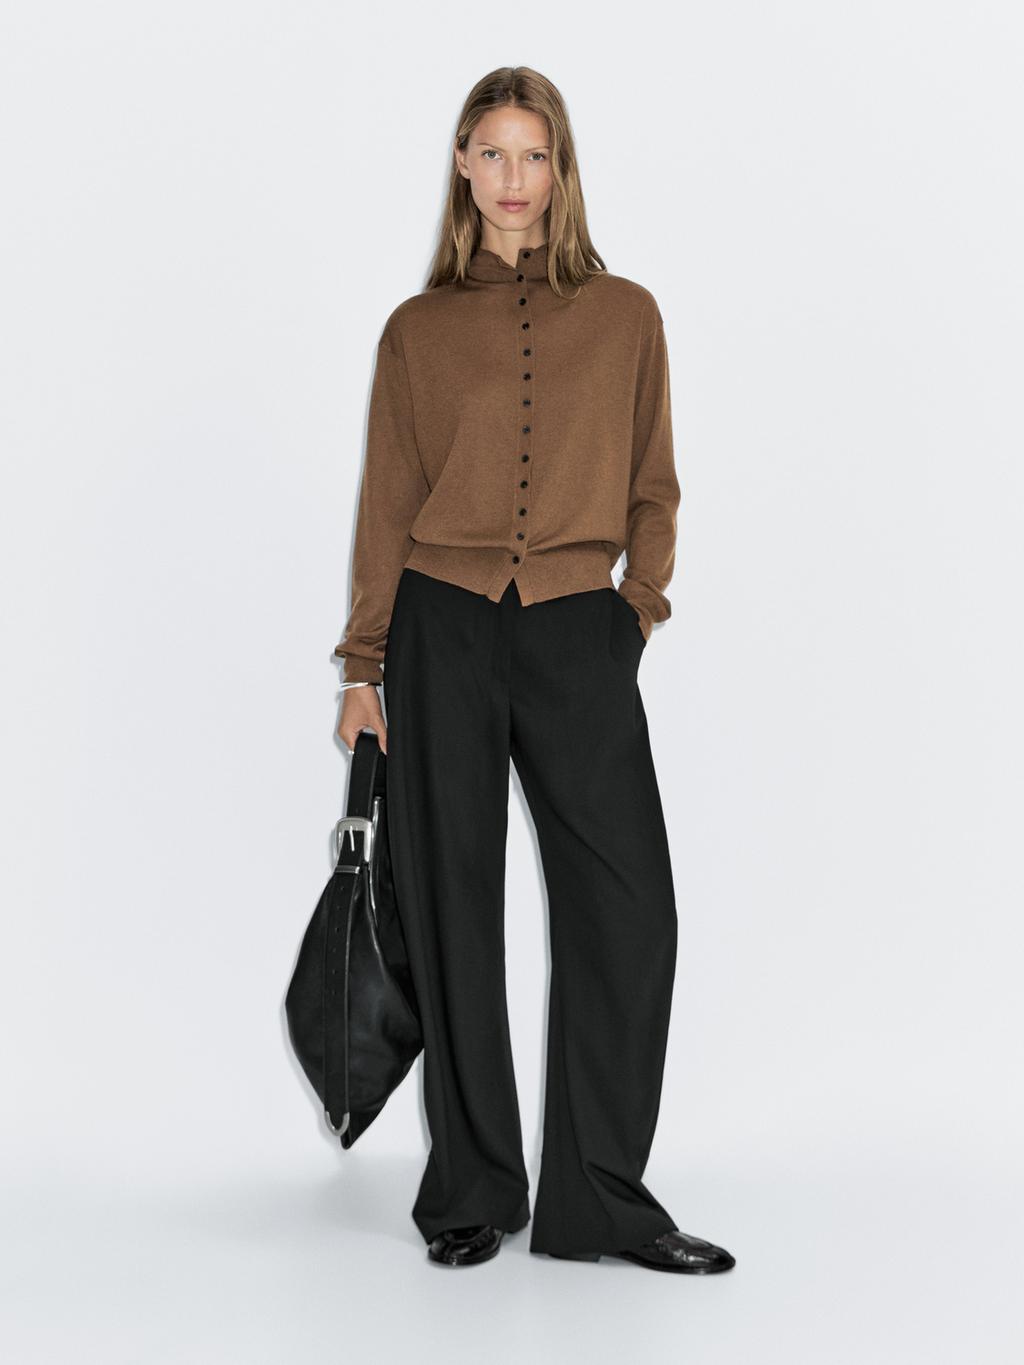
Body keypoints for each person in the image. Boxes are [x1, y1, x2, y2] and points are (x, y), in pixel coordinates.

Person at [333, 66, 735, 1275]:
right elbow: (386, 504)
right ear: (463, 165)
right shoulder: (416, 332)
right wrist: (363, 666)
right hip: (441, 628)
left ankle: (600, 1199)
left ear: (561, 169)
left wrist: (635, 611)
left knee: (629, 910)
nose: (514, 179)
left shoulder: (626, 315)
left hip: (576, 631)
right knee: (451, 909)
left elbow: (654, 485)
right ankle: (471, 1189)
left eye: (535, 155)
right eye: (494, 154)